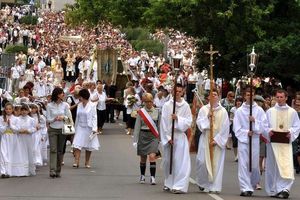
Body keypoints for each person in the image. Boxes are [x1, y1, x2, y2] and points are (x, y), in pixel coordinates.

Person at [264, 90, 300, 198]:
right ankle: (273, 189)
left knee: (286, 165)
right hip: (273, 144)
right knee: (272, 167)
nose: (279, 99)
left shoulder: (292, 112)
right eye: (277, 97)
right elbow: (264, 125)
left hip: (285, 144)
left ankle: (285, 189)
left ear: (286, 98)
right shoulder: (270, 111)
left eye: (281, 97)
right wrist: (268, 131)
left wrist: (291, 132)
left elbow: (296, 126)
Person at [233, 87, 268, 197]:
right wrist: (246, 132)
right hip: (243, 141)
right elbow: (236, 128)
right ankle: (245, 187)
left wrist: (255, 121)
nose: (250, 97)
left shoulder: (259, 110)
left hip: (255, 140)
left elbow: (264, 126)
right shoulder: (239, 111)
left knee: (253, 165)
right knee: (243, 165)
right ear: (245, 96)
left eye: (252, 95)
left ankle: (252, 184)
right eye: (248, 95)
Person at [160, 83, 192, 194]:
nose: (177, 93)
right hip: (169, 136)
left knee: (180, 162)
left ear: (182, 92)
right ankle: (168, 183)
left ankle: (179, 186)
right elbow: (163, 122)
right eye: (175, 91)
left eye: (179, 91)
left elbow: (188, 121)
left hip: (180, 136)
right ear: (172, 92)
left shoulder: (186, 106)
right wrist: (168, 138)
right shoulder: (167, 105)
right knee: (168, 161)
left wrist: (178, 118)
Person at [195, 89, 230, 193]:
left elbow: (225, 127)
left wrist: (217, 140)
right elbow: (200, 124)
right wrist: (207, 117)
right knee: (202, 161)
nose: (213, 96)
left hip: (217, 140)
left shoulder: (223, 111)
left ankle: (214, 186)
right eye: (211, 95)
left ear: (218, 96)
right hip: (205, 138)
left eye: (215, 94)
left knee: (216, 164)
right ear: (208, 97)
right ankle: (202, 182)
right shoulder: (204, 110)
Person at [133, 93, 160, 185]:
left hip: (153, 136)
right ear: (144, 102)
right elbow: (137, 126)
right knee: (143, 158)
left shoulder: (157, 111)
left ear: (153, 101)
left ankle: (152, 177)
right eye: (146, 102)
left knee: (152, 157)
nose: (148, 104)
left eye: (150, 101)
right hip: (143, 135)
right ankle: (142, 176)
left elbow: (159, 126)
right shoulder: (141, 112)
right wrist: (135, 140)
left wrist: (160, 138)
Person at [46, 87, 72, 178]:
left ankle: (58, 170)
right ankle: (52, 170)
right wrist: (54, 119)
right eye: (61, 93)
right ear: (57, 94)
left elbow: (69, 118)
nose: (63, 95)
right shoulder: (49, 105)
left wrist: (63, 118)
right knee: (53, 149)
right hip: (52, 129)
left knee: (60, 150)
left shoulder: (65, 105)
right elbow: (48, 119)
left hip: (62, 129)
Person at [72, 88, 99, 168]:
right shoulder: (79, 105)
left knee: (89, 145)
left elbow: (94, 117)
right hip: (80, 126)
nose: (79, 98)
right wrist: (75, 128)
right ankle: (76, 162)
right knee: (77, 144)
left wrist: (94, 128)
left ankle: (87, 162)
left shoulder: (92, 105)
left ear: (84, 96)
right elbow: (77, 117)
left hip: (89, 127)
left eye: (80, 96)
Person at [230, 96, 243, 162]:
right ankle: (236, 156)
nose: (238, 102)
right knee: (235, 142)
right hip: (234, 127)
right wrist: (235, 120)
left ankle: (240, 155)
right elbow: (231, 118)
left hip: (241, 127)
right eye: (237, 101)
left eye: (240, 101)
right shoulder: (233, 109)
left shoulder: (243, 109)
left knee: (240, 141)